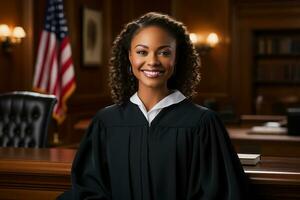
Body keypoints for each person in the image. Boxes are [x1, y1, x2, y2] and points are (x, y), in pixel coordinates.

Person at [58, 12, 249, 200]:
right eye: (142, 52)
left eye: (164, 52)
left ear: (177, 58)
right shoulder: (106, 122)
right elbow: (89, 188)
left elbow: (219, 192)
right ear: (130, 57)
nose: (153, 62)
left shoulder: (202, 123)